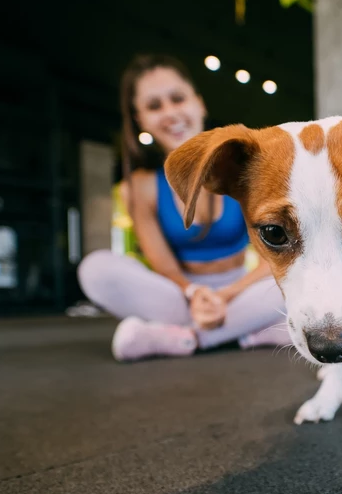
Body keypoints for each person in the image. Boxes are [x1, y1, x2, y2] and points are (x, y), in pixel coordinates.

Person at [77, 54, 291, 362]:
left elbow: (271, 259)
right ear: (141, 120)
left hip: (244, 289)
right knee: (95, 268)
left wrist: (226, 296)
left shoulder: (244, 169)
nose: (169, 113)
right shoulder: (140, 187)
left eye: (177, 99)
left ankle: (186, 337)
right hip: (181, 295)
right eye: (154, 106)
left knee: (295, 273)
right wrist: (194, 294)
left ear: (199, 104)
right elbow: (164, 267)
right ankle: (250, 331)